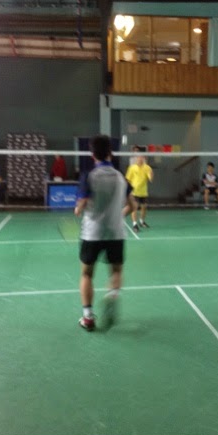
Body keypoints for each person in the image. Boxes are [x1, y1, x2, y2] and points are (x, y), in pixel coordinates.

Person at [75, 135, 136, 332]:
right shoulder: (121, 177)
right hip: (116, 232)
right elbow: (132, 206)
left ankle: (88, 317)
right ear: (111, 153)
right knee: (116, 271)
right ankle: (112, 295)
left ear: (92, 154)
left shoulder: (89, 176)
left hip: (92, 233)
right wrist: (118, 215)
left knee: (87, 274)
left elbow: (80, 207)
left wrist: (78, 209)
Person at [125, 154, 153, 232]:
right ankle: (135, 224)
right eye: (139, 157)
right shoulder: (132, 168)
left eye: (142, 157)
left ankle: (142, 221)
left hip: (143, 192)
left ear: (144, 159)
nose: (140, 159)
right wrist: (128, 190)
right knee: (134, 208)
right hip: (134, 192)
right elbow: (128, 179)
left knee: (144, 207)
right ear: (136, 159)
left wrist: (151, 175)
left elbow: (150, 179)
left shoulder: (147, 168)